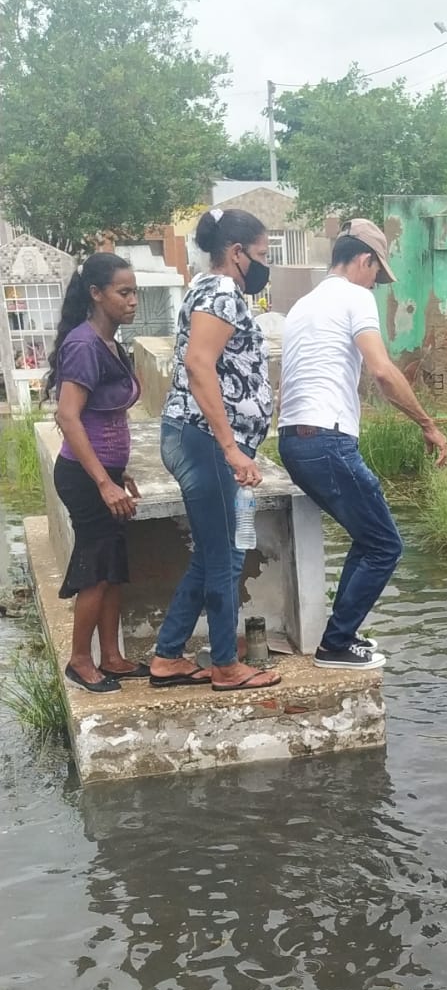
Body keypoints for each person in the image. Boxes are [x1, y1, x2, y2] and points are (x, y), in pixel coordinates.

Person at [278, 218, 447, 670]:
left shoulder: (303, 305)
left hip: (294, 439)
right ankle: (335, 645)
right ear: (363, 260)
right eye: (377, 273)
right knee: (385, 545)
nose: (376, 284)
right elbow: (382, 371)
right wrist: (427, 424)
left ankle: (343, 637)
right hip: (327, 441)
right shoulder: (354, 297)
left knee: (368, 536)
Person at [149, 207, 281, 692]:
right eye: (263, 254)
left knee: (210, 555)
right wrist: (230, 447)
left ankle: (167, 656)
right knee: (225, 555)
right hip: (202, 440)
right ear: (236, 252)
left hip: (196, 436)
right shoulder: (222, 292)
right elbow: (199, 363)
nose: (265, 264)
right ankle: (226, 665)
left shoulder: (206, 288)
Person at [47, 252, 145, 693]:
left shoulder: (109, 343)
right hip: (85, 479)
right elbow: (69, 417)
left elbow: (103, 418)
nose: (132, 301)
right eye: (123, 293)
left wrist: (115, 472)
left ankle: (112, 656)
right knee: (96, 566)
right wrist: (103, 481)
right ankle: (81, 660)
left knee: (112, 566)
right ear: (96, 294)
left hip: (104, 472)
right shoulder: (85, 345)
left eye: (134, 292)